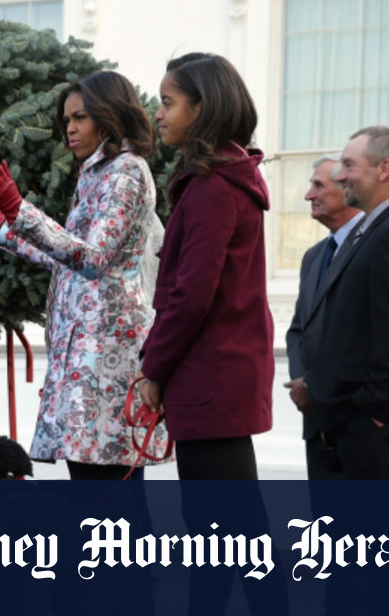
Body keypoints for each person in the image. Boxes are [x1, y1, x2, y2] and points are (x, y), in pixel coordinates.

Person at [0, 70, 171, 480]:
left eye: (80, 117)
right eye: (66, 119)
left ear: (109, 115)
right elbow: (67, 261)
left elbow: (93, 258)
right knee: (93, 493)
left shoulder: (125, 171)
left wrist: (19, 211)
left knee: (108, 498)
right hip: (85, 357)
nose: (69, 127)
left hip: (105, 358)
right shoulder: (97, 173)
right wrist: (3, 226)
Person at [135, 52, 273, 480]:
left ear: (202, 108)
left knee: (221, 525)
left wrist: (154, 369)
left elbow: (191, 295)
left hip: (211, 373)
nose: (157, 114)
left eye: (168, 102)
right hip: (219, 371)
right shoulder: (221, 179)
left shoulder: (212, 187)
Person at [295, 126, 389, 480]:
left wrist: (372, 415)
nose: (340, 175)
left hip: (379, 435)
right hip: (355, 430)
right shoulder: (374, 233)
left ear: (384, 169)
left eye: (349, 164)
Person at [283, 154, 363, 479]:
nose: (308, 195)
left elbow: (360, 334)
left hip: (357, 425)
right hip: (316, 425)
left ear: (346, 189)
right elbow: (298, 332)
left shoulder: (375, 246)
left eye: (318, 185)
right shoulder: (313, 257)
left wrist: (315, 387)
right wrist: (305, 388)